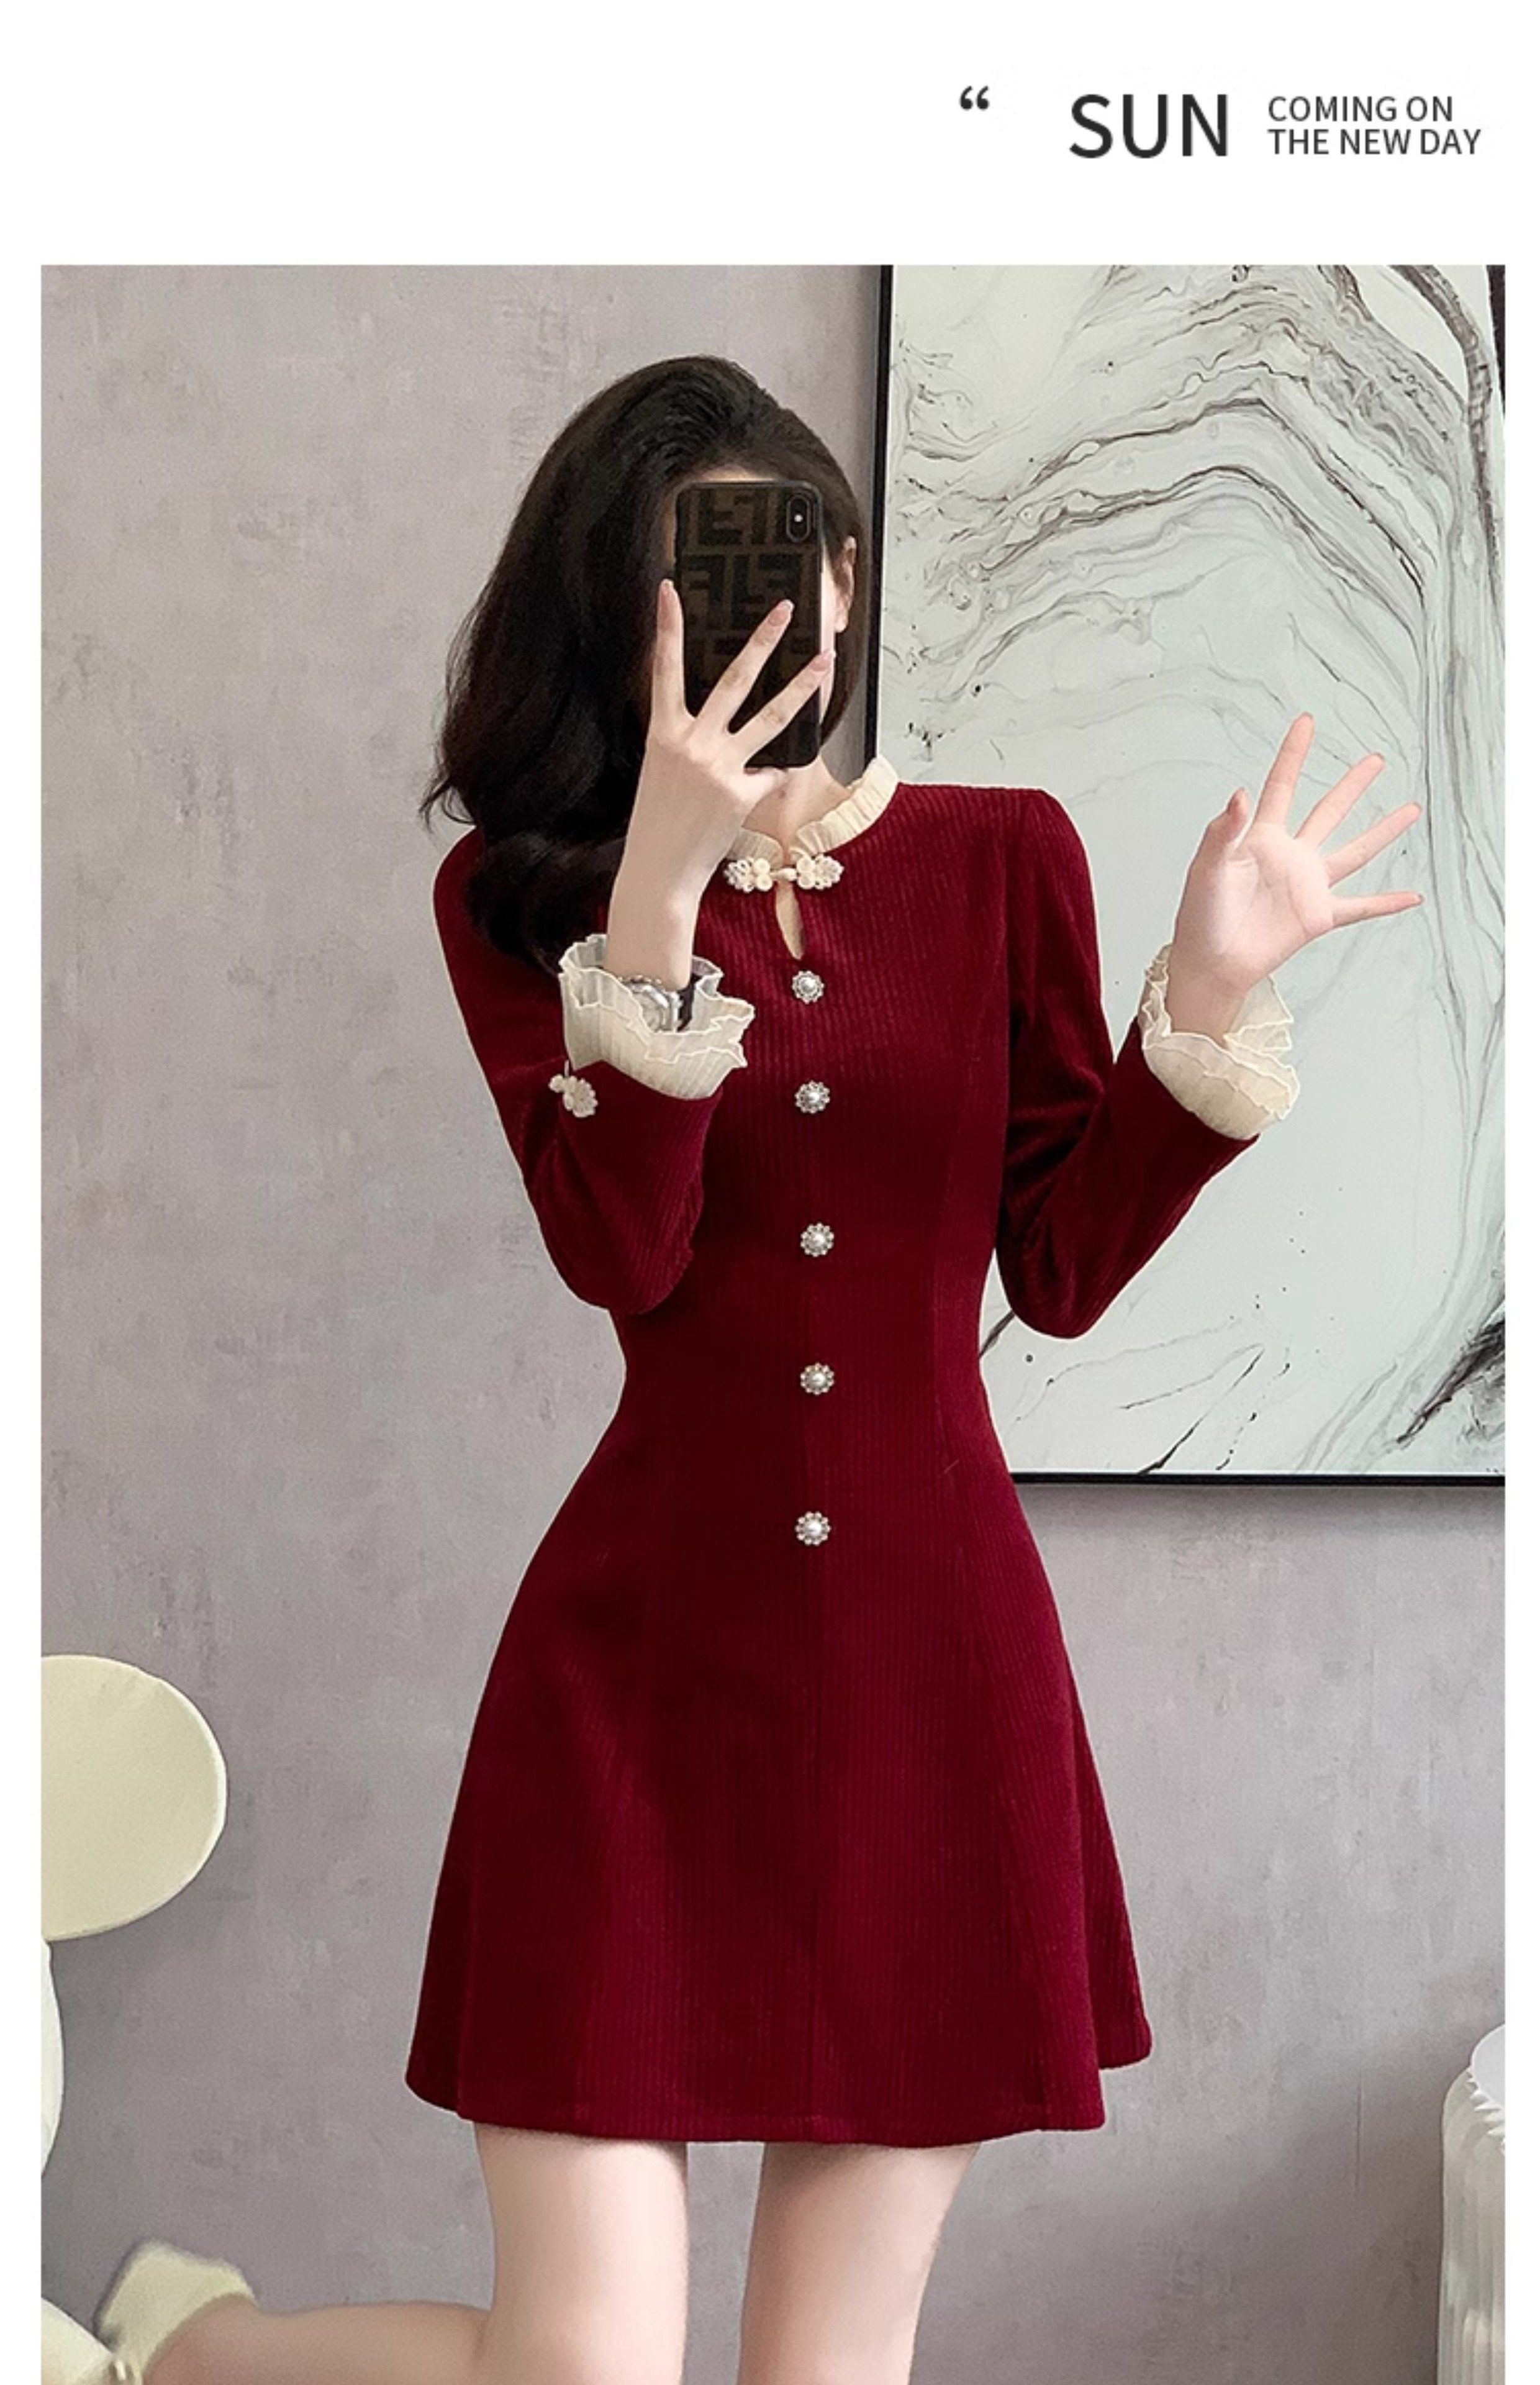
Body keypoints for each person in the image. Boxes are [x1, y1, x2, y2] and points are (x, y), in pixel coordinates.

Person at [98, 354, 1422, 2385]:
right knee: (586, 2373)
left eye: (779, 570)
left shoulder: (1003, 857)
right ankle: (199, 2353)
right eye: (687, 586)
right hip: (634, 1687)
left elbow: (1061, 1273)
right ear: (612, 620)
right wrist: (657, 886)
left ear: (848, 584)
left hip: (929, 1690)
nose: (740, 624)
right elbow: (616, 1254)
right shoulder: (520, 899)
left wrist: (1209, 995)